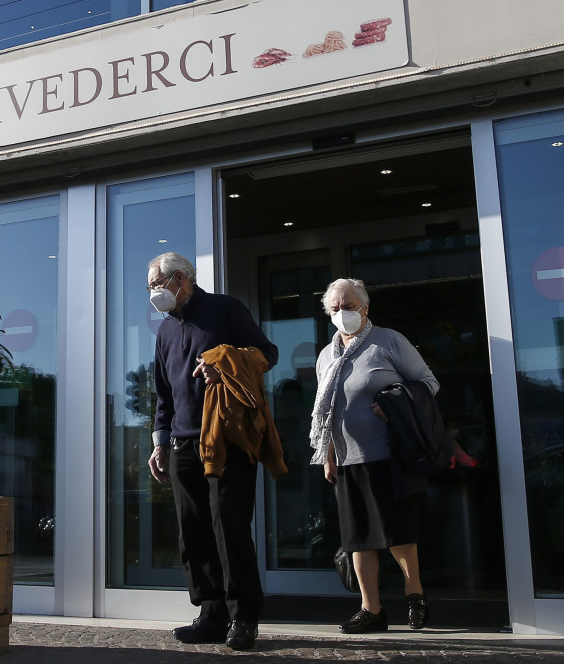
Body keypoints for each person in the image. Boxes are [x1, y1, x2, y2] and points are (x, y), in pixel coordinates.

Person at [308, 277, 471, 633]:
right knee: (358, 537)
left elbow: (428, 382)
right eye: (335, 309)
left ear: (365, 307)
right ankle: (371, 609)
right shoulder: (326, 355)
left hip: (388, 454)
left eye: (348, 306)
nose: (342, 313)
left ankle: (415, 595)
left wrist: (396, 401)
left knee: (397, 531)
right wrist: (328, 453)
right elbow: (329, 410)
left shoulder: (388, 341)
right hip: (347, 458)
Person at [146, 252, 278, 651]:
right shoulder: (165, 330)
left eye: (158, 283)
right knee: (193, 529)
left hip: (227, 438)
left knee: (229, 526)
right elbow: (163, 393)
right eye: (149, 286)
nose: (153, 292)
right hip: (183, 442)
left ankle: (244, 617)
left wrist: (228, 366)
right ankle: (210, 612)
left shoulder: (224, 309)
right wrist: (159, 442)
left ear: (181, 279)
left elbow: (266, 353)